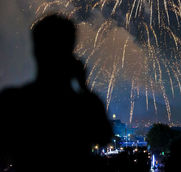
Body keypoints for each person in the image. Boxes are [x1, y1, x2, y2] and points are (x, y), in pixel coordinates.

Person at [0, 14, 112, 172]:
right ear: (71, 52)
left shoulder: (13, 101)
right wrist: (84, 86)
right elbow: (103, 136)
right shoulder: (83, 106)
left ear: (36, 50)